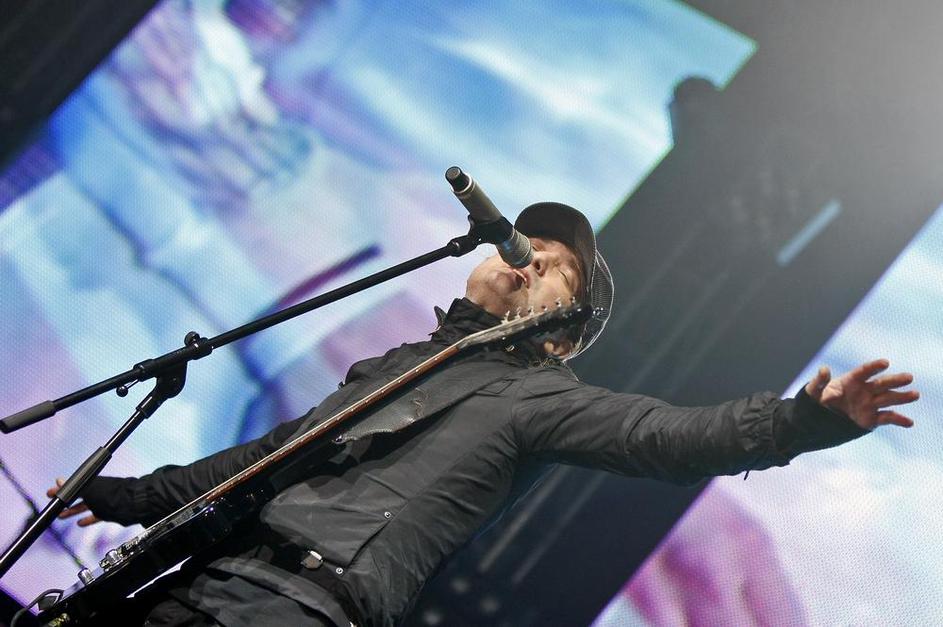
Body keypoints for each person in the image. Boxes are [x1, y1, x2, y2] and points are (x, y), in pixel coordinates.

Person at [49, 203, 919, 627]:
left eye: (551, 266)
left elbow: (664, 437)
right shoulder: (398, 364)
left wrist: (807, 420)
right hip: (200, 579)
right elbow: (265, 458)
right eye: (525, 247)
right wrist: (123, 493)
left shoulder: (540, 397)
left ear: (562, 336)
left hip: (296, 609)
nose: (526, 258)